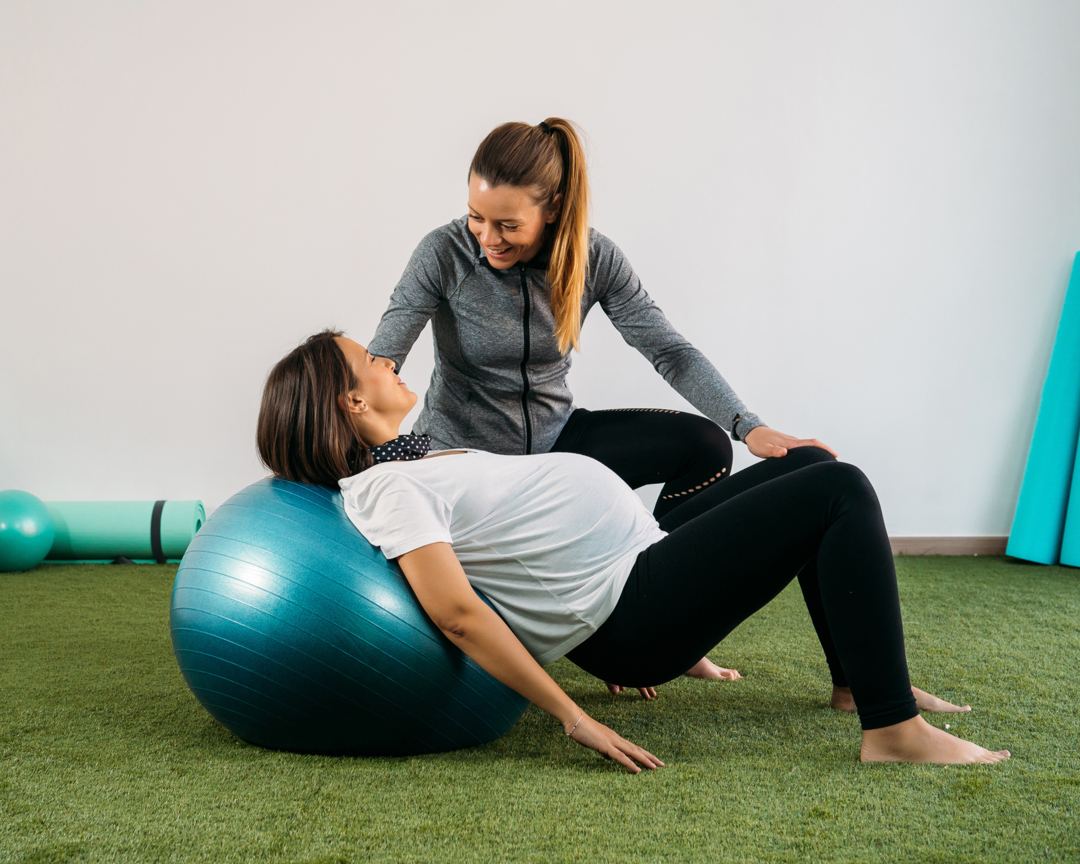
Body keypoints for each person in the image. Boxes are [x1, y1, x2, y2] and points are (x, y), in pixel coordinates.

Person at [255, 330, 1010, 772]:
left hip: (645, 566)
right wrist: (571, 717)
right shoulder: (387, 493)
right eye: (372, 362)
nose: (389, 361)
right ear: (354, 403)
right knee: (840, 488)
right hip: (631, 612)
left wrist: (692, 630)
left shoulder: (416, 464)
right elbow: (457, 614)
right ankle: (891, 730)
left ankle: (858, 684)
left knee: (806, 465)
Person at [367, 117, 835, 684]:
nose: (486, 238)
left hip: (556, 438)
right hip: (471, 463)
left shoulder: (594, 258)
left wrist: (746, 425)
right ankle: (625, 616)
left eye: (507, 225)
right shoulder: (442, 252)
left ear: (554, 208)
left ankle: (658, 595)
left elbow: (669, 350)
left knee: (703, 444)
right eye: (476, 217)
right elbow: (383, 355)